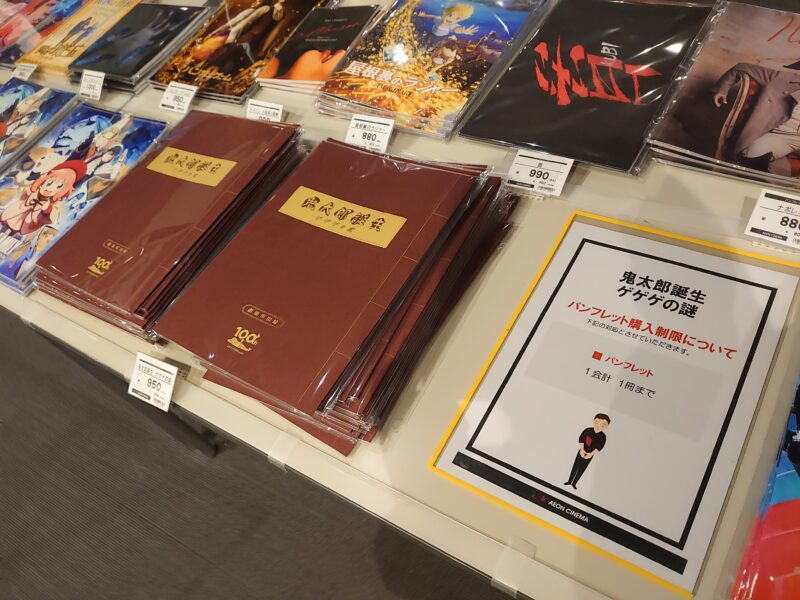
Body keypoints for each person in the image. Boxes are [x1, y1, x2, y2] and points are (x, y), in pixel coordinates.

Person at [712, 60, 800, 175]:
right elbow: (741, 67)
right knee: (751, 158)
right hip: (780, 135)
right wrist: (722, 89)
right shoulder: (780, 78)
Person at [564, 414, 610, 489]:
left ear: (607, 426)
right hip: (581, 451)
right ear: (593, 421)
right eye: (597, 422)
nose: (598, 425)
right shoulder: (588, 430)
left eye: (603, 424)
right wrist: (582, 450)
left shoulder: (603, 436)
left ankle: (574, 483)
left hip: (590, 454)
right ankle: (569, 481)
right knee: (575, 466)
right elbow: (581, 440)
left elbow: (599, 447)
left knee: (582, 468)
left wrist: (591, 454)